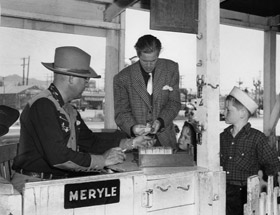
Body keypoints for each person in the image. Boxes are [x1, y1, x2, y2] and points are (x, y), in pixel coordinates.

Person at [11, 46, 153, 193]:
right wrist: (102, 160)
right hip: (33, 185)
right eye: (85, 78)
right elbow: (58, 157)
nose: (87, 82)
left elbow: (90, 141)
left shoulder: (67, 109)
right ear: (71, 78)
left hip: (53, 182)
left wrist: (130, 142)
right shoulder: (43, 105)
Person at [220, 86, 280, 215]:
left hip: (245, 193)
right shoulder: (222, 137)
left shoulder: (256, 138)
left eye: (228, 109)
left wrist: (268, 187)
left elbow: (273, 164)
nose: (224, 113)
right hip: (222, 190)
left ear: (242, 113)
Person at [113, 34, 181, 148]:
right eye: (144, 61)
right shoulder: (122, 78)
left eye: (153, 60)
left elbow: (174, 102)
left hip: (166, 140)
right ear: (138, 54)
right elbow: (121, 112)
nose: (149, 65)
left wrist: (161, 121)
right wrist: (133, 128)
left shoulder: (171, 69)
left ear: (158, 54)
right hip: (136, 143)